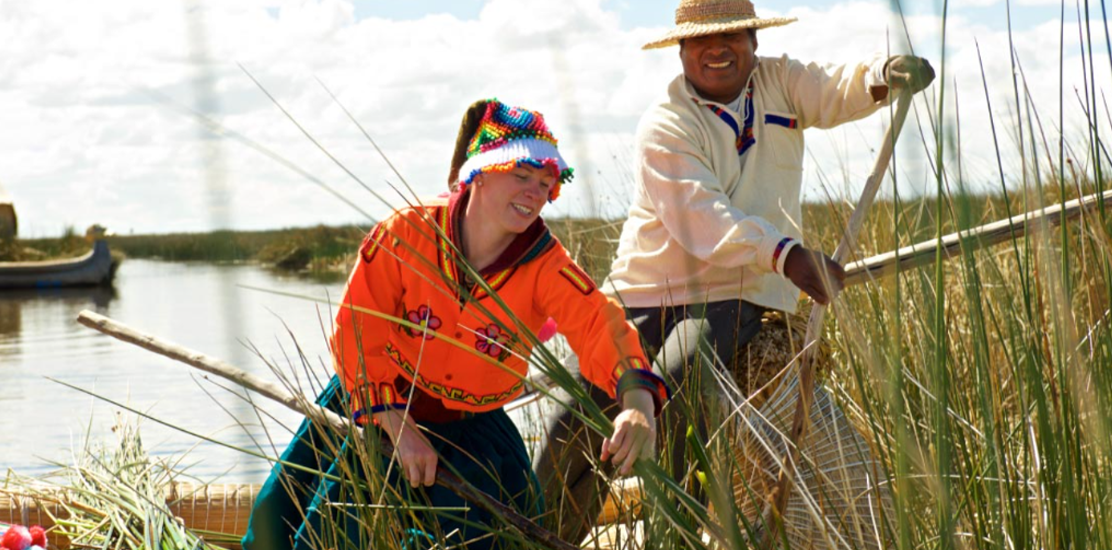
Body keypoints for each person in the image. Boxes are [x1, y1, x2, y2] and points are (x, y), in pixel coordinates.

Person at [534, 0, 935, 543]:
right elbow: (704, 218)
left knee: (682, 381)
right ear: (681, 52)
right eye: (700, 41)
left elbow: (836, 86)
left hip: (733, 294)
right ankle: (536, 536)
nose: (716, 50)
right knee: (567, 422)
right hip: (639, 294)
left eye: (730, 37)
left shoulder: (781, 83)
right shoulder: (666, 124)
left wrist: (882, 76)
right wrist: (789, 256)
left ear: (753, 41)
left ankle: (674, 531)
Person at [242, 99, 669, 550]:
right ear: (480, 173)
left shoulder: (545, 265)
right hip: (377, 408)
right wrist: (398, 428)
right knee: (307, 529)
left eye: (545, 184)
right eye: (521, 177)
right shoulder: (407, 233)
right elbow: (357, 330)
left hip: (474, 436)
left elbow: (598, 325)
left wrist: (637, 403)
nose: (533, 193)